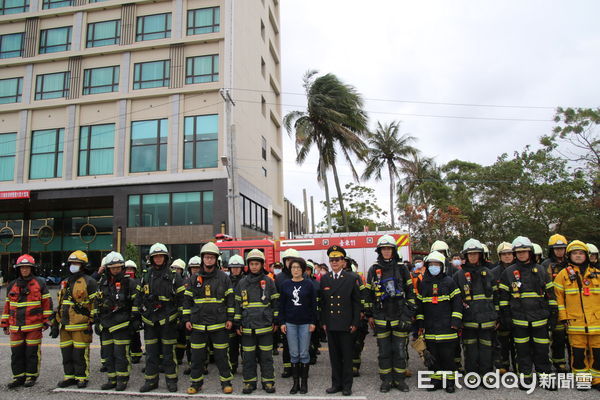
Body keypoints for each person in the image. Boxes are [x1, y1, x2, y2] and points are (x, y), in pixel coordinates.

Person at [499, 236, 556, 389]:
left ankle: (545, 378)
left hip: (540, 319)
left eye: (524, 251)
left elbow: (550, 294)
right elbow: (503, 298)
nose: (522, 254)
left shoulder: (541, 270)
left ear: (530, 252)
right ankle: (525, 378)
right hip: (519, 320)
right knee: (522, 351)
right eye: (518, 252)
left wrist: (552, 314)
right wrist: (506, 317)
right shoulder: (509, 272)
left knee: (542, 350)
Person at [365, 235, 415, 393]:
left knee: (400, 350)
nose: (386, 251)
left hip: (400, 317)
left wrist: (407, 315)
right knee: (384, 351)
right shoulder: (373, 269)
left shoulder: (402, 268)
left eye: (389, 249)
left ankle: (399, 380)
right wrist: (370, 315)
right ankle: (386, 380)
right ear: (380, 251)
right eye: (384, 249)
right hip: (381, 319)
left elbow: (411, 294)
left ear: (394, 250)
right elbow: (368, 295)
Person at [183, 242, 234, 394]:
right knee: (197, 357)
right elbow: (187, 301)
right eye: (207, 257)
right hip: (198, 325)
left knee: (222, 357)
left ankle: (226, 382)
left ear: (216, 259)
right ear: (202, 259)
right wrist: (186, 320)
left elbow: (230, 300)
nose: (209, 260)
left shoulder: (224, 278)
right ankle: (196, 383)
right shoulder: (193, 279)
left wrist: (230, 318)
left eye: (212, 257)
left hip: (218, 325)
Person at [137, 243, 186, 393]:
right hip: (150, 321)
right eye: (155, 257)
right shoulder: (146, 276)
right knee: (151, 353)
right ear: (151, 259)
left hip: (168, 321)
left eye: (160, 256)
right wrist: (137, 316)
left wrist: (181, 319)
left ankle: (171, 381)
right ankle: (151, 381)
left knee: (168, 353)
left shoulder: (174, 276)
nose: (158, 259)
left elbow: (182, 299)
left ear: (165, 258)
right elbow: (139, 297)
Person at [553, 240, 600, 391]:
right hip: (575, 321)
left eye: (581, 253)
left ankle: (597, 379)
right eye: (575, 253)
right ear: (569, 256)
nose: (578, 256)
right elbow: (558, 298)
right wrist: (563, 317)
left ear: (586, 255)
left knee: (598, 353)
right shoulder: (563, 275)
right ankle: (582, 379)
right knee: (578, 354)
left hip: (596, 322)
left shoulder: (597, 274)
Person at [1, 254, 53, 388]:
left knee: (31, 353)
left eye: (27, 267)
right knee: (16, 353)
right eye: (22, 267)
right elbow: (7, 306)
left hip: (33, 325)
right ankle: (18, 377)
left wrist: (46, 320)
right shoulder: (12, 285)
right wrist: (4, 324)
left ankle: (31, 376)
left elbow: (47, 303)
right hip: (16, 327)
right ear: (18, 269)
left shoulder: (39, 283)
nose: (24, 270)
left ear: (31, 268)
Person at [415, 251, 462, 393]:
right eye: (430, 264)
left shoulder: (449, 282)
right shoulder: (424, 283)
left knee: (447, 357)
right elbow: (420, 306)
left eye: (436, 264)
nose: (433, 267)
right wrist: (421, 325)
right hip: (430, 328)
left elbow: (457, 304)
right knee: (433, 357)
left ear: (442, 266)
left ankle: (449, 382)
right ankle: (436, 380)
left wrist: (455, 322)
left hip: (447, 327)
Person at [320, 245, 361, 396]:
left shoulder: (352, 278)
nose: (334, 262)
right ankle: (335, 384)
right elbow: (323, 304)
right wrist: (323, 322)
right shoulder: (325, 279)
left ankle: (347, 386)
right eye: (332, 260)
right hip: (331, 324)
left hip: (346, 324)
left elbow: (357, 303)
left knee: (347, 357)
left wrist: (355, 323)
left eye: (337, 259)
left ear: (344, 261)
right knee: (334, 357)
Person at [235, 249, 278, 394]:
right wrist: (237, 323)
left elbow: (275, 302)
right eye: (252, 264)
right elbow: (237, 305)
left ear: (262, 265)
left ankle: (268, 382)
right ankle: (249, 382)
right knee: (248, 357)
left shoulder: (269, 281)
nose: (254, 266)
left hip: (265, 326)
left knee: (266, 356)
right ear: (248, 265)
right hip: (247, 327)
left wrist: (275, 321)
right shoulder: (242, 283)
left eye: (257, 264)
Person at [454, 239, 497, 383]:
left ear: (480, 255)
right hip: (468, 321)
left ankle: (487, 376)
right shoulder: (459, 276)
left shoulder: (488, 273)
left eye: (475, 254)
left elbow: (496, 297)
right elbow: (456, 300)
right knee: (470, 349)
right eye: (470, 254)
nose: (473, 257)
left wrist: (497, 316)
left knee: (487, 349)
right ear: (465, 256)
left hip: (487, 320)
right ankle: (471, 376)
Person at [94, 251, 139, 391]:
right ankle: (112, 379)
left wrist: (134, 321)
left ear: (122, 268)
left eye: (118, 267)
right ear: (107, 269)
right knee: (108, 354)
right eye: (113, 268)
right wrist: (96, 320)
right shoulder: (102, 283)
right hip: (106, 325)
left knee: (121, 355)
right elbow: (97, 302)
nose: (115, 270)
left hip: (122, 325)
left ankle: (122, 379)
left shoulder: (129, 283)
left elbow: (136, 302)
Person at [53, 250, 98, 388]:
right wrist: (55, 321)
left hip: (80, 325)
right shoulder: (65, 282)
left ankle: (81, 377)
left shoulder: (89, 281)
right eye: (72, 263)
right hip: (65, 325)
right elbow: (61, 303)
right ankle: (69, 376)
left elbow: (94, 303)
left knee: (80, 353)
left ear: (83, 265)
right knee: (66, 353)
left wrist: (92, 320)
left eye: (77, 263)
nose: (74, 265)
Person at [280, 257, 318, 394]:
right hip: (290, 323)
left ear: (303, 269)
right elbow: (282, 305)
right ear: (290, 270)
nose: (295, 270)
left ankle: (304, 383)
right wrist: (282, 322)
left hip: (305, 323)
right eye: (293, 267)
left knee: (304, 353)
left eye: (298, 267)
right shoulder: (285, 285)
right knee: (294, 353)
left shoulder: (309, 285)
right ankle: (295, 383)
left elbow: (314, 305)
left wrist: (313, 322)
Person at [542, 233, 569, 373]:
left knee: (571, 336)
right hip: (554, 305)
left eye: (562, 248)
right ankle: (559, 362)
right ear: (551, 249)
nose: (559, 251)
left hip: (571, 304)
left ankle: (574, 362)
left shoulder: (570, 263)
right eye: (556, 248)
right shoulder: (546, 265)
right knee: (557, 335)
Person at [491, 242, 516, 374]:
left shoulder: (520, 270)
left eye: (509, 254)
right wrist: (497, 316)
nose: (507, 256)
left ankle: (519, 367)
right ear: (499, 256)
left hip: (518, 312)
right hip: (501, 313)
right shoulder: (494, 273)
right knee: (502, 342)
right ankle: (504, 366)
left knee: (518, 342)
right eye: (504, 254)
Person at [275, 248, 300, 378]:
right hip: (285, 316)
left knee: (301, 343)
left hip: (300, 316)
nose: (290, 263)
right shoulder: (279, 278)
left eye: (293, 260)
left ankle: (299, 367)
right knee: (286, 343)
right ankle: (287, 367)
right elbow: (276, 300)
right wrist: (279, 319)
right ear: (284, 261)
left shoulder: (303, 276)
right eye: (287, 260)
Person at [171, 259, 191, 369]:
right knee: (175, 338)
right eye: (173, 268)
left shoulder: (185, 282)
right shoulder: (170, 280)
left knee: (183, 338)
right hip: (172, 313)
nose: (175, 270)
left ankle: (180, 357)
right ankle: (177, 358)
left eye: (178, 269)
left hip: (182, 313)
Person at [227, 255, 245, 374]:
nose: (235, 270)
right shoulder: (226, 281)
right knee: (232, 345)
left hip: (244, 317)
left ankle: (247, 366)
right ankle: (232, 367)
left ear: (242, 268)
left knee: (245, 345)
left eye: (238, 267)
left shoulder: (246, 281)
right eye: (233, 267)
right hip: (230, 317)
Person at [124, 260, 143, 364]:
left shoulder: (139, 282)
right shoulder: (122, 282)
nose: (129, 271)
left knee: (135, 334)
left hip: (136, 314)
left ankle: (136, 354)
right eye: (127, 269)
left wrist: (136, 313)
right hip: (124, 313)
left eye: (131, 269)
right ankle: (127, 354)